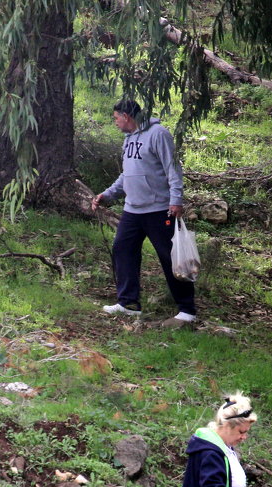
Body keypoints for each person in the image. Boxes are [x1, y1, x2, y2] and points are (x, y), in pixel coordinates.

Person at [91, 99, 197, 329]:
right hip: (132, 209)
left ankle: (187, 310)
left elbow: (173, 168)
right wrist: (107, 195)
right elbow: (127, 174)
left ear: (126, 116)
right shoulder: (128, 139)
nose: (115, 122)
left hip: (159, 208)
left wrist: (176, 199)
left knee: (170, 257)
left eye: (116, 118)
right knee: (123, 248)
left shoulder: (158, 134)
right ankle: (129, 304)